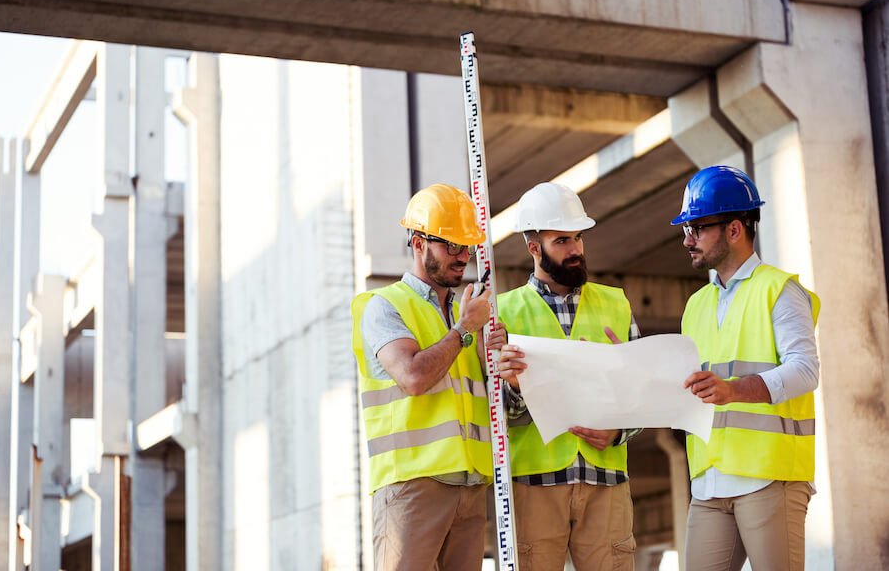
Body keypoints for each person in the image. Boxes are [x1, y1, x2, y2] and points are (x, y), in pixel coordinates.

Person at [674, 166, 820, 571]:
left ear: (735, 229)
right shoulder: (696, 305)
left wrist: (734, 390)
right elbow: (688, 387)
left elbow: (806, 370)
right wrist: (636, 368)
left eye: (697, 227)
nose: (687, 240)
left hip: (768, 478)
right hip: (709, 481)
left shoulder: (779, 290)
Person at [492, 182, 640, 570]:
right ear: (534, 248)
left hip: (605, 482)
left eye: (578, 238)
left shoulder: (616, 304)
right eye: (562, 240)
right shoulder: (501, 314)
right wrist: (513, 387)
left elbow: (644, 393)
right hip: (533, 486)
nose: (575, 249)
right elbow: (496, 418)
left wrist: (618, 432)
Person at [350, 183, 494, 570]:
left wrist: (489, 347)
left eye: (467, 247)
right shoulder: (384, 307)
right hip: (414, 486)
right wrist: (463, 331)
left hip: (470, 485)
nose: (462, 257)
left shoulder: (470, 313)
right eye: (451, 246)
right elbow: (413, 377)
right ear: (417, 243)